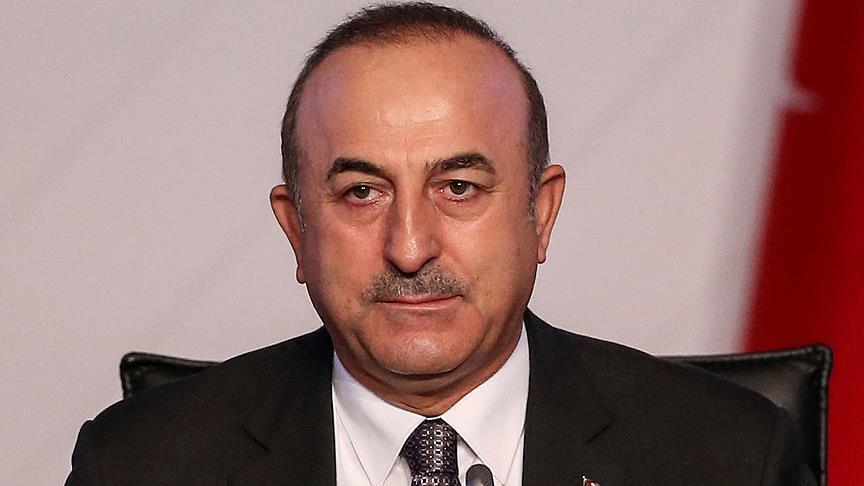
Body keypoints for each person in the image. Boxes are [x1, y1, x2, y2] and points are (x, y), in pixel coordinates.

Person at [66, 3, 815, 485]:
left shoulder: (728, 459)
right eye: (362, 192)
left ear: (541, 212)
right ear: (297, 230)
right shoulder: (137, 466)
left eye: (459, 187)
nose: (410, 247)